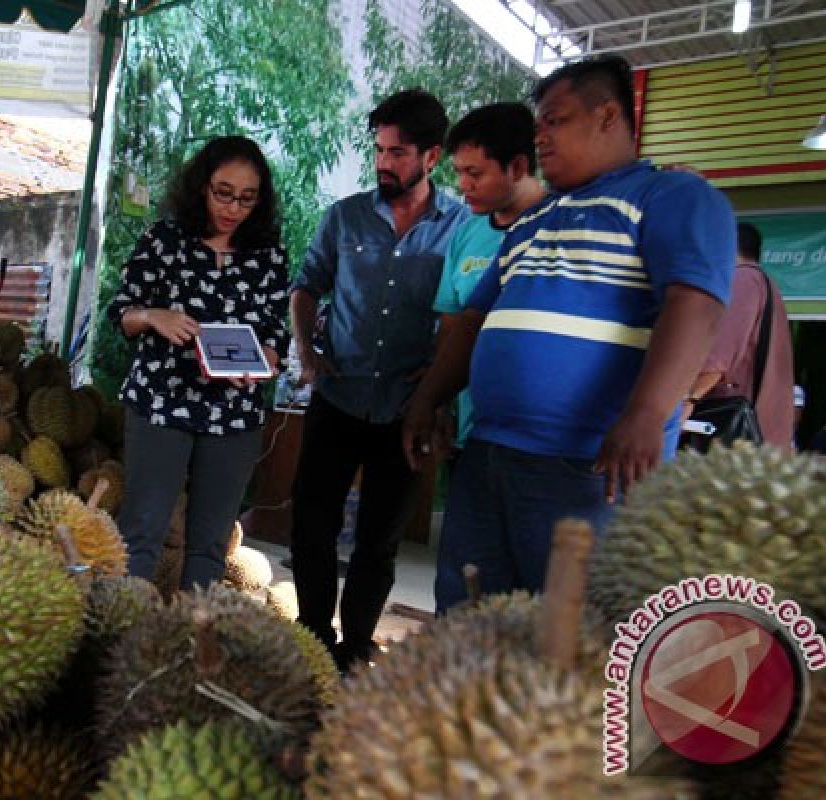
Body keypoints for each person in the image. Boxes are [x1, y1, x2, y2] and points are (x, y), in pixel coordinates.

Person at [403, 55, 735, 610]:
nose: (541, 138)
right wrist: (429, 397)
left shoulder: (670, 197)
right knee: (466, 624)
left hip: (589, 466)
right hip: (489, 454)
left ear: (607, 116)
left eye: (554, 121)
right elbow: (474, 321)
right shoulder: (533, 220)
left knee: (574, 640)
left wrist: (647, 413)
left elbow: (694, 301)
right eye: (538, 126)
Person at [289, 88, 469, 670]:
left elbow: (468, 310)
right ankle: (312, 637)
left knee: (378, 542)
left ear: (432, 157)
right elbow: (306, 284)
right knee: (311, 530)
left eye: (398, 152)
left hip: (407, 410)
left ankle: (356, 645)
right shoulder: (344, 217)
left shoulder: (461, 229)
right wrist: (306, 353)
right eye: (380, 150)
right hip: (338, 399)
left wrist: (442, 384)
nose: (384, 162)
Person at [106, 135, 291, 590]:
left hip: (234, 413)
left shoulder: (268, 255)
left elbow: (275, 329)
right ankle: (125, 633)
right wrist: (154, 316)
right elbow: (121, 312)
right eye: (223, 193)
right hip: (162, 401)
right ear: (202, 186)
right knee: (141, 531)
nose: (233, 208)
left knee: (211, 543)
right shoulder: (165, 240)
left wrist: (267, 357)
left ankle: (194, 643)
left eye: (247, 199)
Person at [432, 102, 548, 460]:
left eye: (475, 173)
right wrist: (437, 403)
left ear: (517, 167)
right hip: (474, 433)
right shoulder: (467, 234)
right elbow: (451, 326)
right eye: (458, 172)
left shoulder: (562, 224)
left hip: (543, 441)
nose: (462, 185)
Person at [683, 223, 794, 449]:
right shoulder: (766, 284)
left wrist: (689, 398)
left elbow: (719, 357)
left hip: (736, 428)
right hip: (763, 431)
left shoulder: (742, 279)